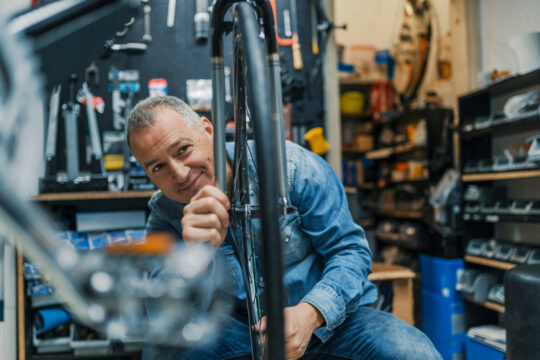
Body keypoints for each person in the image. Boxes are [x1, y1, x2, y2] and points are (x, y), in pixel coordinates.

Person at [128, 95, 442, 360]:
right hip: (242, 329)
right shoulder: (165, 214)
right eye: (158, 167)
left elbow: (350, 252)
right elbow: (161, 314)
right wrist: (195, 254)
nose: (180, 174)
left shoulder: (291, 169)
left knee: (412, 352)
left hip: (330, 320)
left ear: (207, 130)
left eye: (183, 149)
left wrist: (310, 313)